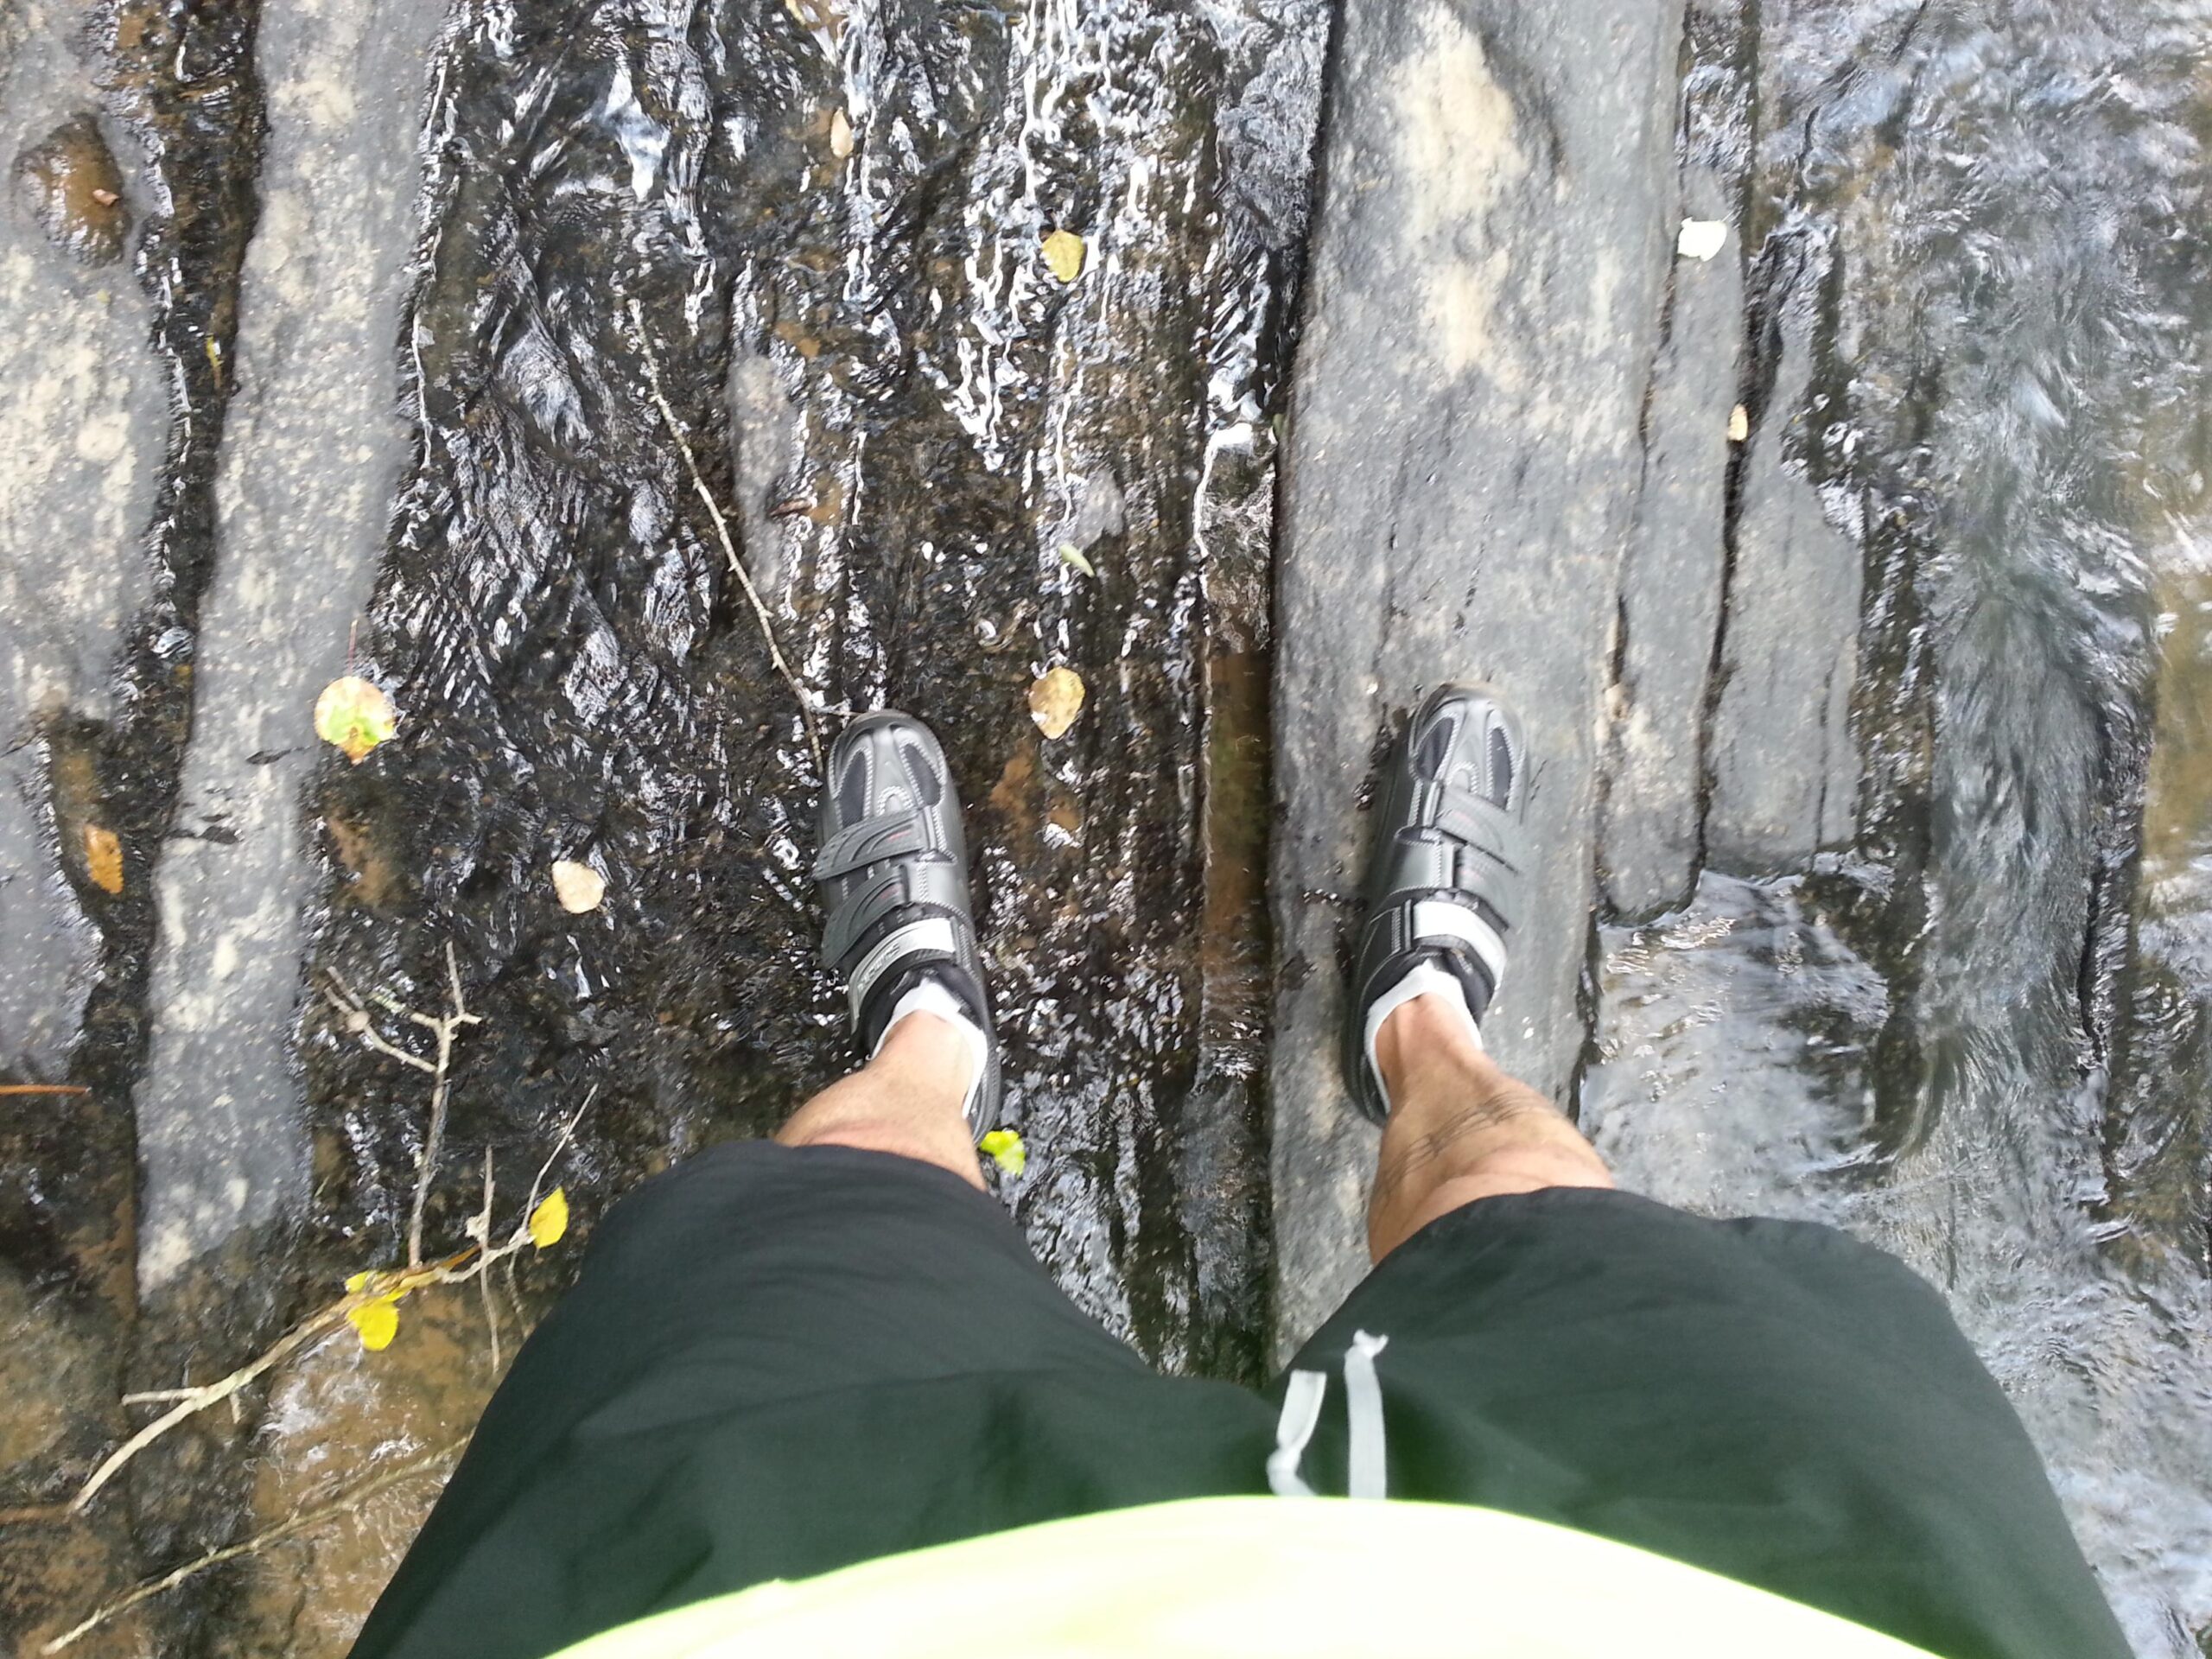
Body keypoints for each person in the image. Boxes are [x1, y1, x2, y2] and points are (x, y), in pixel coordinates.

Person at [349, 688, 2132, 1659]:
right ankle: (1421, 1018)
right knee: (1522, 1203)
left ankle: (924, 1039)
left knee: (836, 1217)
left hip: (813, 1601)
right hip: (1728, 1599)